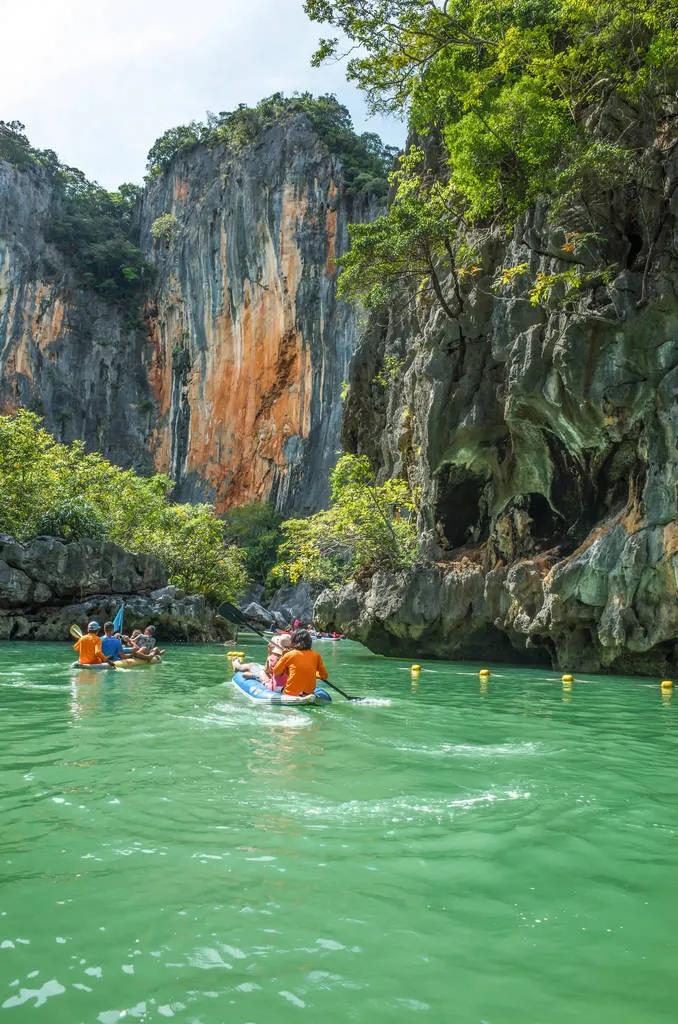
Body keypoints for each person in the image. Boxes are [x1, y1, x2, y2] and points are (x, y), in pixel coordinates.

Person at [272, 628, 328, 697]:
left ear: (293, 641)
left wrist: (283, 656)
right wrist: (313, 674)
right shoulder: (316, 655)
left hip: (290, 694)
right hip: (308, 694)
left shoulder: (289, 655)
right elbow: (324, 676)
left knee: (276, 689)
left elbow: (276, 672)